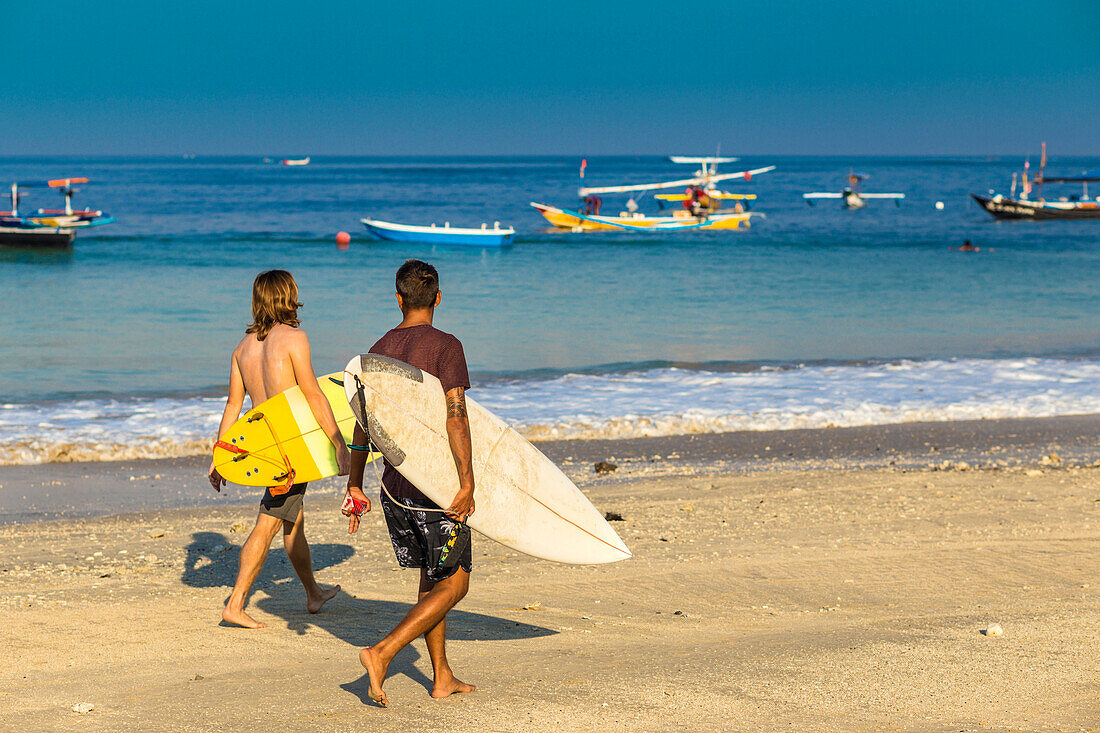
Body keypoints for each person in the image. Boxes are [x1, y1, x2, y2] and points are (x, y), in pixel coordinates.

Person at [345, 259, 476, 707]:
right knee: (455, 584)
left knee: (432, 578)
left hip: (393, 487)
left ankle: (441, 676)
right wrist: (467, 481)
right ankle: (382, 653)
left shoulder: (378, 349)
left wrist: (355, 483)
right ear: (438, 297)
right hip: (435, 486)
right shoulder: (447, 346)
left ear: (398, 299)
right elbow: (455, 415)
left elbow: (364, 421)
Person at [209, 269, 350, 629]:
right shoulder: (294, 339)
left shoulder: (241, 348)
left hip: (263, 450)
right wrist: (338, 441)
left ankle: (313, 593)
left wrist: (220, 455)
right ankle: (236, 603)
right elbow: (312, 394)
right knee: (269, 523)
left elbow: (232, 406)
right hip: (292, 449)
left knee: (293, 521)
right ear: (289, 297)